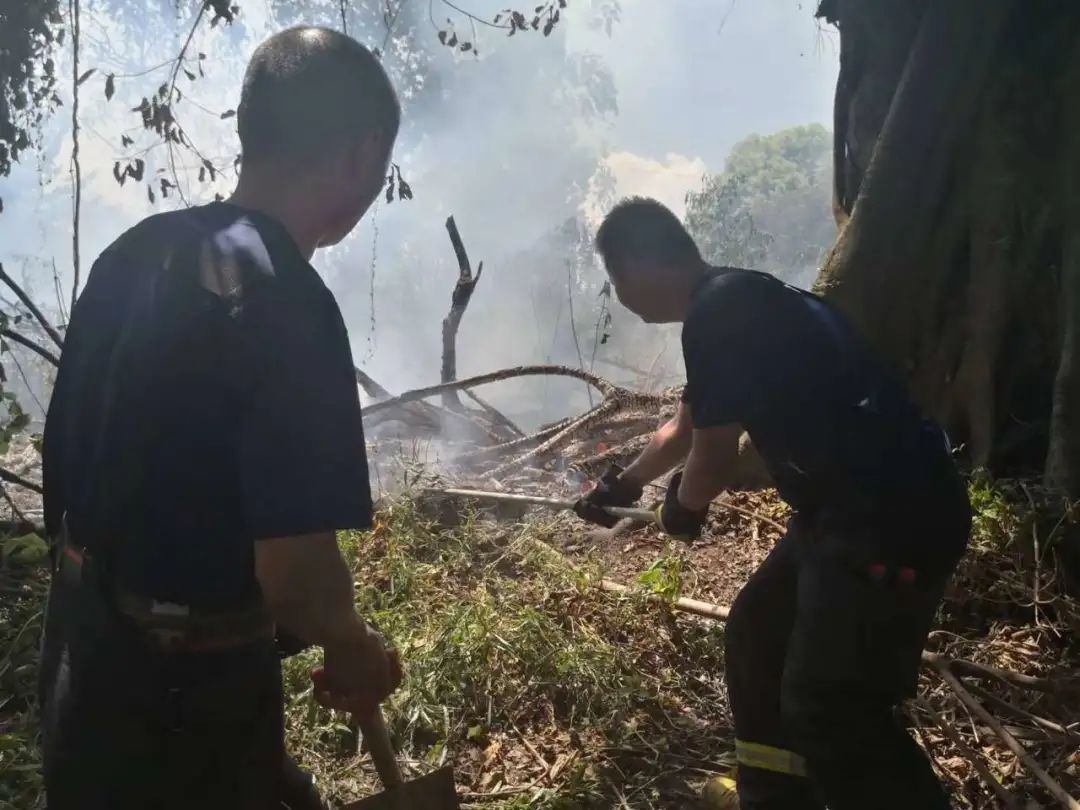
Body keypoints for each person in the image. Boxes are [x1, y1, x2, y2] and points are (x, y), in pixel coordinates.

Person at [39, 27, 401, 810]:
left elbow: (66, 464)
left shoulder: (133, 255)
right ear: (364, 151)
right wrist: (354, 645)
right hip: (186, 705)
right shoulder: (290, 303)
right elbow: (297, 577)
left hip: (82, 662)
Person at [575, 198, 971, 810]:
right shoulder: (735, 300)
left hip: (890, 519)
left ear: (639, 265)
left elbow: (710, 458)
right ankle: (774, 797)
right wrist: (621, 487)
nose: (622, 298)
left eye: (617, 280)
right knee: (758, 634)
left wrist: (683, 508)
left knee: (832, 704)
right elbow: (684, 428)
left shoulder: (719, 311)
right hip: (841, 513)